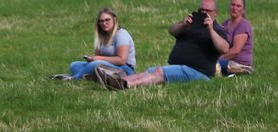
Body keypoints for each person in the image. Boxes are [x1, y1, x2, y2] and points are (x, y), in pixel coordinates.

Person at [95, 1, 229, 91]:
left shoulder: (218, 30)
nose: (203, 12)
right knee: (149, 71)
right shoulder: (191, 24)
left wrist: (210, 30)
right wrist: (183, 25)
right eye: (201, 10)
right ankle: (115, 81)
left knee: (159, 72)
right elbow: (172, 31)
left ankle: (125, 85)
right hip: (179, 67)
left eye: (207, 10)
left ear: (215, 13)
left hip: (198, 72)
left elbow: (224, 48)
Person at [51, 8, 136, 81]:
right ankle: (92, 76)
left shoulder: (121, 34)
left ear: (114, 19)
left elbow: (121, 60)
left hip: (125, 69)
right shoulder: (102, 35)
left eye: (107, 20)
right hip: (107, 66)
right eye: (101, 21)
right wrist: (92, 58)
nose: (104, 23)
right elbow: (98, 56)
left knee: (95, 65)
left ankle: (73, 78)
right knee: (74, 65)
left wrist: (99, 59)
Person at [218, 0, 253, 75]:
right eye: (233, 5)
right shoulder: (225, 24)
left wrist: (217, 59)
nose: (234, 8)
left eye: (238, 6)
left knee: (211, 64)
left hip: (239, 64)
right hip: (226, 61)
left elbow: (235, 50)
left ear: (243, 10)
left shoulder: (244, 25)